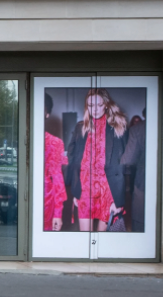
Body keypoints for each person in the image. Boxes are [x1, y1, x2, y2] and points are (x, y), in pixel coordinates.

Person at [66, 88, 130, 232]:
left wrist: (117, 199)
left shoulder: (117, 128)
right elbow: (74, 160)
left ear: (106, 104)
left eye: (99, 105)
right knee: (85, 237)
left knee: (102, 239)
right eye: (90, 105)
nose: (94, 109)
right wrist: (76, 190)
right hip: (85, 189)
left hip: (107, 190)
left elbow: (122, 165)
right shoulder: (80, 128)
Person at [43, 93, 68, 232]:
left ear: (47, 114)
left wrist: (58, 214)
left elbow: (58, 180)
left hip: (47, 203)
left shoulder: (55, 143)